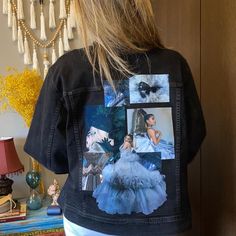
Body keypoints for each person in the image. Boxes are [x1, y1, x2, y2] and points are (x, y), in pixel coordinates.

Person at [23, 0, 207, 235]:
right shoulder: (174, 65)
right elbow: (190, 143)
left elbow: (52, 157)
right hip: (163, 221)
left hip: (88, 218)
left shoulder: (67, 70)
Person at [92, 134, 167, 215]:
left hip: (127, 163)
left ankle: (129, 204)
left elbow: (125, 153)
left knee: (129, 180)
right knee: (123, 180)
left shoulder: (127, 144)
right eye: (125, 138)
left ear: (130, 140)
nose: (126, 140)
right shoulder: (127, 144)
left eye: (128, 139)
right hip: (123, 163)